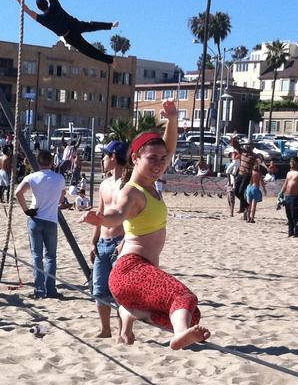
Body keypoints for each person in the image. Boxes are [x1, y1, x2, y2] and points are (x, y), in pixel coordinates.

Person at [83, 100, 209, 350]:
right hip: (130, 270)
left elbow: (168, 147)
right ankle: (178, 337)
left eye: (162, 159)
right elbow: (118, 215)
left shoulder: (152, 184)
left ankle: (131, 313)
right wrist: (101, 220)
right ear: (135, 158)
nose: (159, 163)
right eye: (152, 158)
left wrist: (172, 119)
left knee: (191, 314)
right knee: (184, 296)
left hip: (141, 272)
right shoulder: (133, 191)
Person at [12, 0, 118, 64]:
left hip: (69, 35)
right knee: (91, 25)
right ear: (46, 2)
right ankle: (111, 25)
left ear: (39, 8)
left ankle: (110, 61)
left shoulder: (43, 19)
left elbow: (28, 11)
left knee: (87, 50)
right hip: (73, 24)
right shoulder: (55, 5)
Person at [15, 149, 67, 299]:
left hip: (36, 218)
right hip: (51, 219)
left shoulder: (32, 177)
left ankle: (39, 289)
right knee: (50, 256)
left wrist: (26, 210)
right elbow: (61, 198)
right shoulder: (59, 178)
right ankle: (50, 289)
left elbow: (18, 192)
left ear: (38, 162)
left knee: (37, 256)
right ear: (51, 162)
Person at [90, 140, 128, 338]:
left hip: (120, 241)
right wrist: (93, 240)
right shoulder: (104, 184)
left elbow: (134, 218)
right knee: (99, 289)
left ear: (114, 157)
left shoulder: (128, 185)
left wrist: (125, 242)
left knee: (119, 292)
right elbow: (100, 213)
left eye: (104, 155)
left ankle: (122, 331)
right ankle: (105, 329)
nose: (102, 160)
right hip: (103, 242)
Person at [282, 156, 298, 237]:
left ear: (297, 163)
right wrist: (281, 193)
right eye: (290, 161)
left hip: (295, 196)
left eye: (293, 161)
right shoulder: (288, 173)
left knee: (294, 216)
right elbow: (285, 184)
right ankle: (290, 232)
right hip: (287, 196)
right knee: (288, 215)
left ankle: (296, 233)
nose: (291, 163)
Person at [245, 159, 266, 223]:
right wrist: (264, 189)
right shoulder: (259, 173)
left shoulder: (251, 172)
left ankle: (248, 218)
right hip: (255, 188)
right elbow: (262, 182)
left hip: (249, 188)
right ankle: (252, 218)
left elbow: (249, 181)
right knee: (254, 205)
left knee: (249, 204)